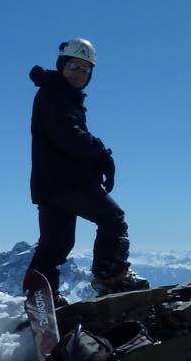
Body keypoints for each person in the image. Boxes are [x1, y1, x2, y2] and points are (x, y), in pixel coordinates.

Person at [25, 38, 148, 304]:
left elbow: (69, 138)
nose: (80, 73)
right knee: (113, 218)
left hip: (50, 184)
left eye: (85, 69)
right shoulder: (55, 95)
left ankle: (40, 295)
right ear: (61, 66)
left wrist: (97, 157)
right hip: (66, 181)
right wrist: (101, 153)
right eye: (74, 66)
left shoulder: (58, 94)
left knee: (55, 245)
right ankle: (110, 274)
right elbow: (69, 136)